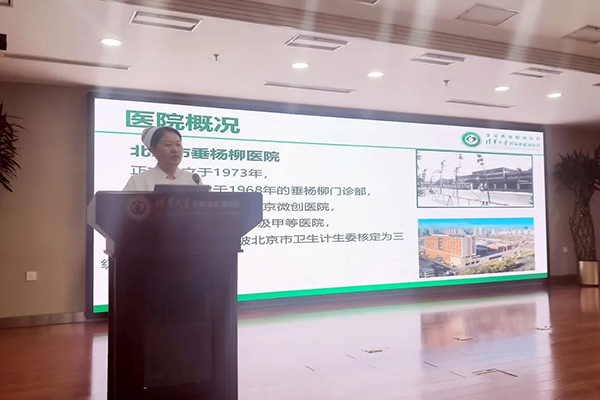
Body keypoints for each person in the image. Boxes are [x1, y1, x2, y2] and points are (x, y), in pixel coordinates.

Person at [123, 126, 202, 191]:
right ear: (153, 150)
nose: (175, 150)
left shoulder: (193, 180)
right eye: (168, 145)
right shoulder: (138, 181)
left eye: (178, 144)